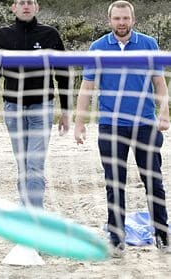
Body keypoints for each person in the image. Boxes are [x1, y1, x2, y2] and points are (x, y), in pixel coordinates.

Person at [74, 0, 170, 257]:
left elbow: (160, 84)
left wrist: (164, 114)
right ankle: (116, 237)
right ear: (109, 21)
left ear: (133, 20)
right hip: (111, 126)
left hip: (145, 125)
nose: (121, 23)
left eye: (125, 18)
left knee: (153, 181)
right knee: (114, 183)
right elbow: (86, 88)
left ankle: (162, 235)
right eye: (117, 19)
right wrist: (79, 123)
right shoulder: (98, 48)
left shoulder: (149, 44)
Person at [0, 0, 71, 208]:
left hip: (42, 107)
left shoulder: (50, 35)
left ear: (36, 7)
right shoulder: (1, 35)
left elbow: (63, 75)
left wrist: (66, 111)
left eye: (30, 2)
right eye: (21, 2)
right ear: (14, 7)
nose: (26, 6)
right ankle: (25, 211)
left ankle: (35, 217)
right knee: (23, 164)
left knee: (34, 165)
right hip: (12, 108)